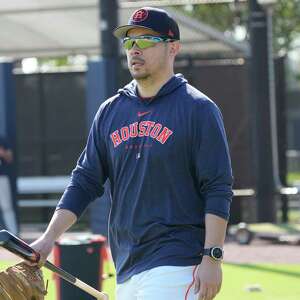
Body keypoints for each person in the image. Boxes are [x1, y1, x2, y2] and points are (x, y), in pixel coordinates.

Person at [31, 7, 233, 300]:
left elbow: (217, 186)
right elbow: (85, 180)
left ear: (173, 48)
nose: (135, 49)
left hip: (177, 262)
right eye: (129, 42)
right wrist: (49, 239)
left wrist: (212, 257)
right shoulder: (111, 111)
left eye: (147, 40)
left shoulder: (198, 109)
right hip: (126, 265)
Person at [0, 140, 18, 234]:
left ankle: (13, 234)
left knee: (7, 207)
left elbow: (10, 158)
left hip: (1, 177)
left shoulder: (2, 139)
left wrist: (3, 153)